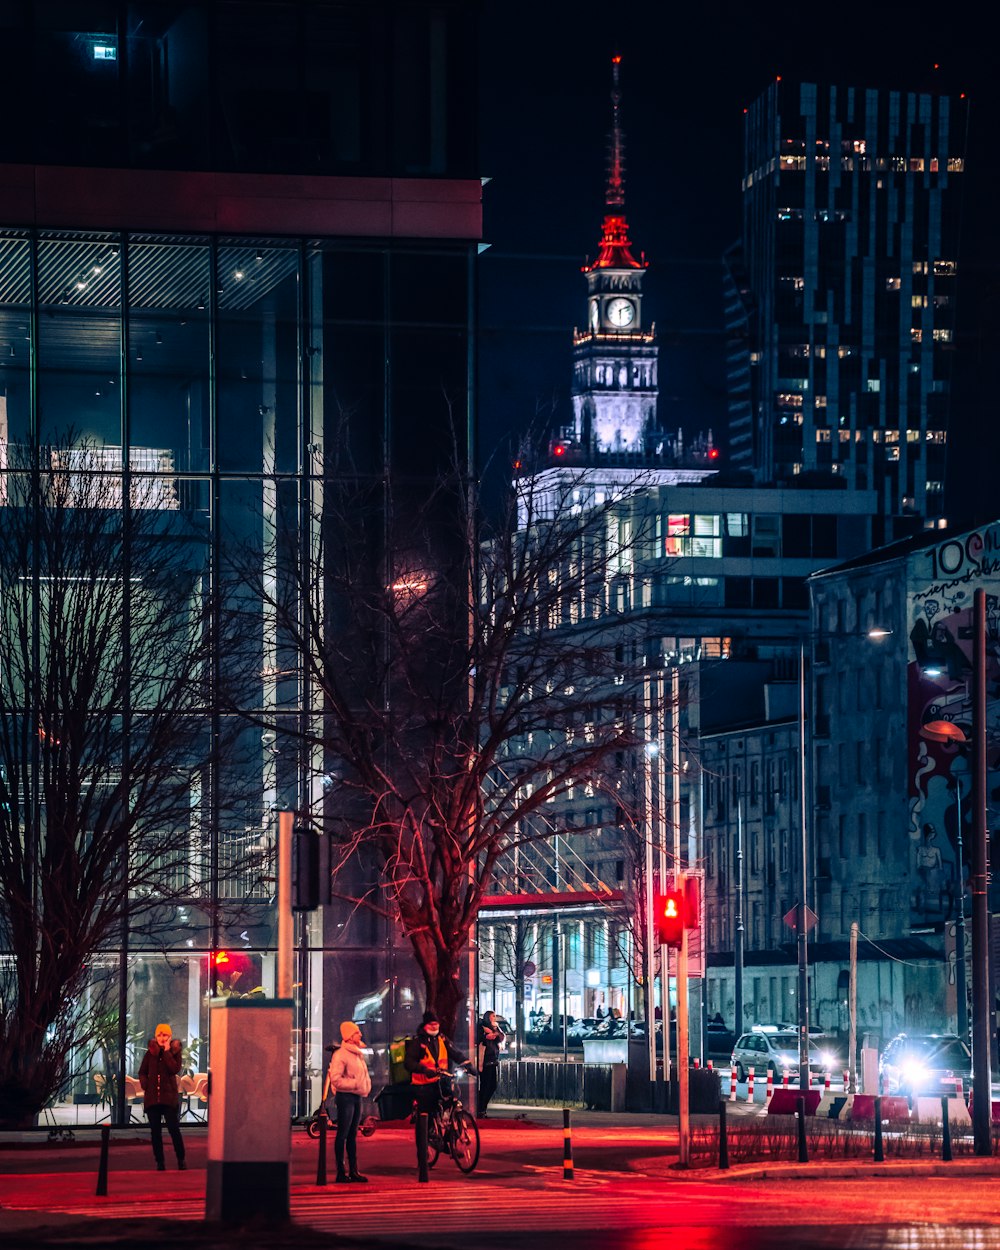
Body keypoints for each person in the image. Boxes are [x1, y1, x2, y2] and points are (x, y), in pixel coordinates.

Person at [326, 1020, 372, 1183]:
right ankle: (341, 1172)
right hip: (345, 1097)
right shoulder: (341, 1055)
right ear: (349, 1036)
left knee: (352, 1135)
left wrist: (360, 1086)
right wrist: (355, 1084)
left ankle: (354, 1171)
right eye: (356, 1032)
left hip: (356, 1096)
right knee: (343, 1134)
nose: (360, 1034)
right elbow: (336, 1079)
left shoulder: (356, 1053)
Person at [404, 1009, 469, 1120]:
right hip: (423, 1085)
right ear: (425, 1025)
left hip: (441, 1081)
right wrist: (424, 1070)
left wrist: (468, 1064)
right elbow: (409, 1062)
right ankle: (429, 1131)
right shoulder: (418, 1042)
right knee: (427, 1115)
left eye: (436, 1024)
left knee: (452, 1097)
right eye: (431, 1024)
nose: (434, 1026)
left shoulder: (442, 1039)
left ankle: (449, 1126)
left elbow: (455, 1053)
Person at [138, 1023, 186, 1171]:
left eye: (165, 1035)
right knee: (155, 1132)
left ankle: (181, 1159)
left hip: (169, 1099)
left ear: (170, 1036)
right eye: (159, 1035)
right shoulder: (150, 1053)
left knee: (174, 1129)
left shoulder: (174, 1052)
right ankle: (160, 1162)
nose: (162, 1038)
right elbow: (142, 1072)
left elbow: (174, 1069)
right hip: (153, 1099)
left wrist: (165, 1052)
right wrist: (146, 1084)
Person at [476, 1010, 505, 1118]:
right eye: (493, 1016)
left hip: (493, 1059)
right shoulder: (482, 1027)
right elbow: (478, 1039)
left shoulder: (495, 1027)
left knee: (492, 1085)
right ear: (488, 1017)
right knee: (486, 1085)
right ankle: (481, 1109)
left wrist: (496, 1032)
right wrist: (486, 1037)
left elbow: (501, 1038)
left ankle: (482, 1108)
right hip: (485, 1059)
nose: (495, 1018)